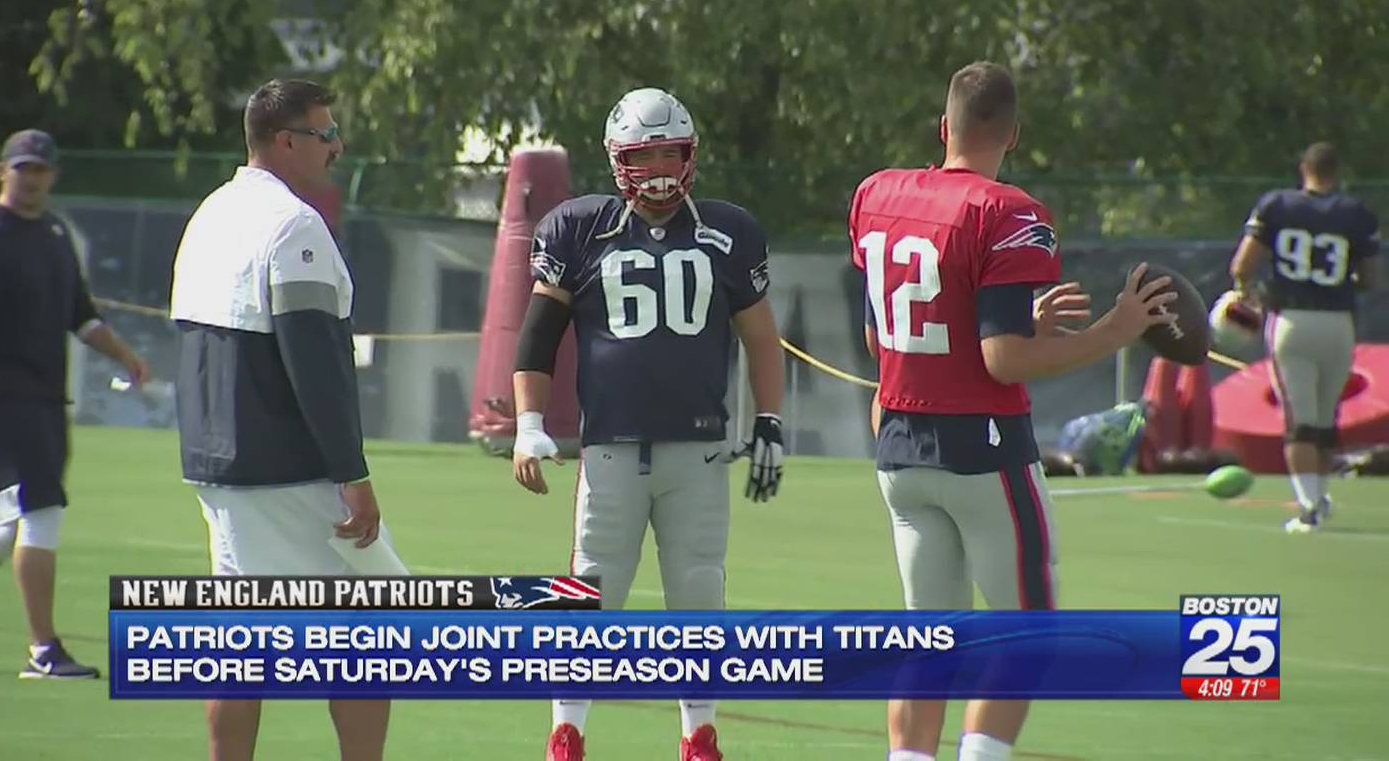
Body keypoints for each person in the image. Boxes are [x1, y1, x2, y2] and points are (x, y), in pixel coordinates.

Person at [848, 62, 1175, 761]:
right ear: (1014, 136)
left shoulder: (877, 193)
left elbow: (888, 337)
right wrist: (1112, 333)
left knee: (925, 633)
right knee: (1027, 634)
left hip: (900, 446)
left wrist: (1024, 323)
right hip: (982, 451)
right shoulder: (1010, 213)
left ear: (945, 129)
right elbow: (1002, 363)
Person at [511, 87, 786, 761]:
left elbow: (762, 339)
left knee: (698, 588)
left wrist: (771, 421)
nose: (660, 166)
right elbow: (538, 336)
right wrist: (527, 420)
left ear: (692, 154)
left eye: (671, 151)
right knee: (590, 586)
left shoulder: (728, 230)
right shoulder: (578, 228)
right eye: (645, 153)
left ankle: (699, 733)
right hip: (610, 448)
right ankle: (566, 730)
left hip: (699, 449)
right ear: (617, 159)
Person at [170, 79, 403, 761]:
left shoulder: (209, 213)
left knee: (241, 639)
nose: (338, 146)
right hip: (284, 470)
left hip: (217, 464)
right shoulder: (294, 225)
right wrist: (352, 473)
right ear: (286, 141)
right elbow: (312, 362)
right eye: (327, 134)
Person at [0, 129, 149, 679]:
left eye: (40, 169)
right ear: (2, 171)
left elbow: (80, 313)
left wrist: (124, 354)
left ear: (53, 175)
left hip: (43, 399)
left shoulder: (55, 233)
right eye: (22, 169)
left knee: (10, 527)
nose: (32, 178)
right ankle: (44, 650)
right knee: (42, 513)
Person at [1229, 141, 1380, 533]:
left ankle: (1310, 507)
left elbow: (1243, 265)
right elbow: (1371, 278)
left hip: (1292, 320)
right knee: (1326, 420)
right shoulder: (1356, 214)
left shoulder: (1277, 206)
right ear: (1338, 171)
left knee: (1300, 420)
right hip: (1339, 323)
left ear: (1303, 168)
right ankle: (1320, 497)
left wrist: (1249, 294)